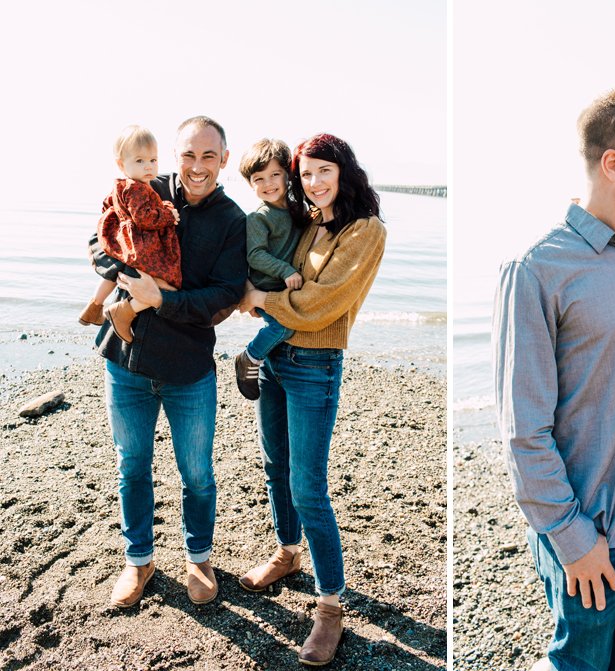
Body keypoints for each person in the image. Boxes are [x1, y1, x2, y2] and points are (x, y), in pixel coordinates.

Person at [493, 87, 615, 671]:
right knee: (577, 663)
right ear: (613, 163)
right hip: (592, 532)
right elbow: (523, 427)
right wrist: (573, 540)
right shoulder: (538, 269)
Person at [237, 133, 386, 666]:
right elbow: (272, 264)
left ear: (344, 171)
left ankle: (329, 608)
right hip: (276, 360)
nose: (314, 182)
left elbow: (322, 303)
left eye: (323, 171)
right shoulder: (310, 223)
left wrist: (260, 298)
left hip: (315, 367)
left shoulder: (365, 230)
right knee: (275, 466)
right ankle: (286, 553)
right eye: (305, 175)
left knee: (309, 488)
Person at [88, 116, 246, 608]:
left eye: (208, 156)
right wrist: (122, 271)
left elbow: (223, 296)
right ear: (174, 155)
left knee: (196, 473)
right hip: (126, 362)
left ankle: (198, 558)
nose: (196, 167)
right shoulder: (146, 188)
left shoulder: (232, 220)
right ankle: (139, 561)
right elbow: (98, 239)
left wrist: (160, 299)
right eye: (187, 155)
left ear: (223, 158)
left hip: (188, 370)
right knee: (131, 467)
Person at [79, 125, 181, 341]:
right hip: (141, 246)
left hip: (127, 242)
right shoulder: (137, 188)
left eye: (153, 160)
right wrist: (168, 215)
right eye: (140, 161)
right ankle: (124, 311)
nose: (148, 167)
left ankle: (94, 306)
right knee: (168, 285)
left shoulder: (123, 186)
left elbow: (110, 205)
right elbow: (145, 217)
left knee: (114, 273)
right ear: (121, 164)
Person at [233, 138, 301, 400]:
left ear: (288, 175)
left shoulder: (297, 210)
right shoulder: (259, 217)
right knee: (285, 327)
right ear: (250, 183)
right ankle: (249, 357)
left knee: (285, 327)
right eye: (258, 178)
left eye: (275, 174)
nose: (268, 183)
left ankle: (266, 358)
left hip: (282, 288)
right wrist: (285, 270)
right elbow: (255, 254)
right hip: (266, 286)